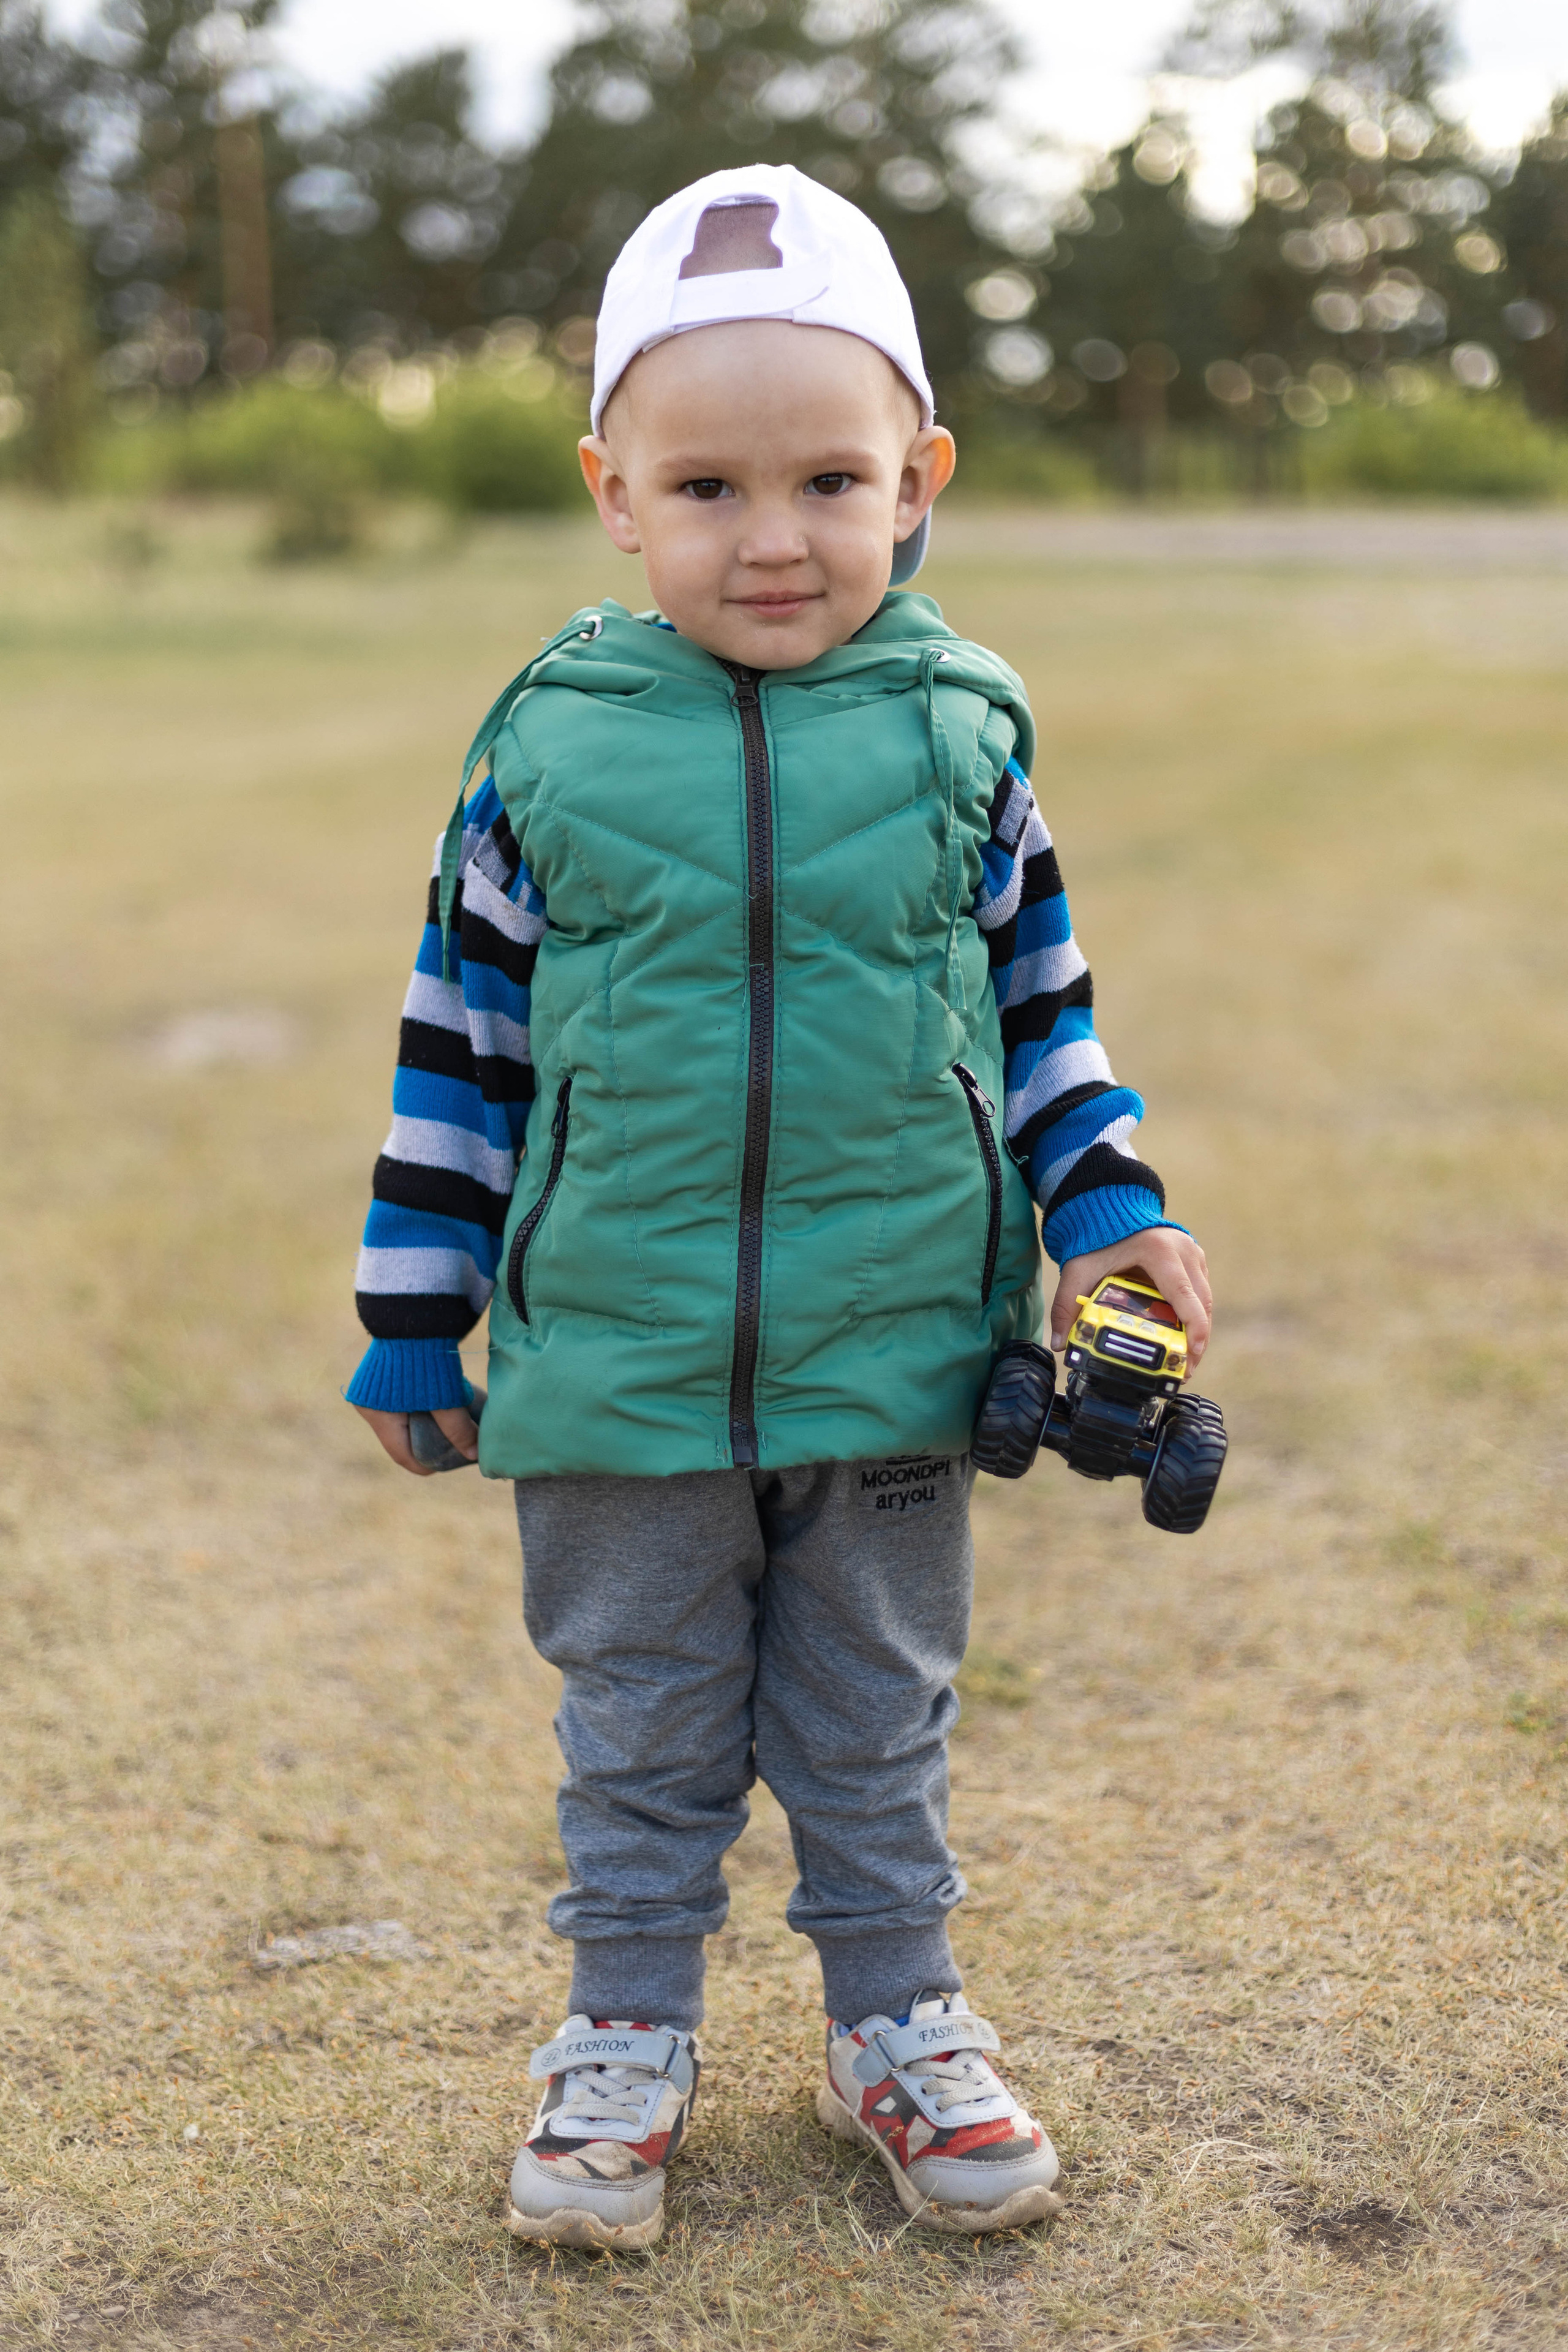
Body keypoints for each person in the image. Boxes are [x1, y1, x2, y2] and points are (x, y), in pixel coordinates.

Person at [346, 164, 1212, 2250]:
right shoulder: (545, 757)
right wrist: (411, 1308)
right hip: (616, 1362)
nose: (773, 535)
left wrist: (1113, 1217)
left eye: (829, 479)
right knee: (640, 1731)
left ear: (917, 477)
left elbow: (1045, 1025)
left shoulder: (958, 740)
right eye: (709, 486)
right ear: (615, 493)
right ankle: (619, 2039)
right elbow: (458, 1051)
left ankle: (900, 2024)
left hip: (895, 1350)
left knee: (874, 1722)